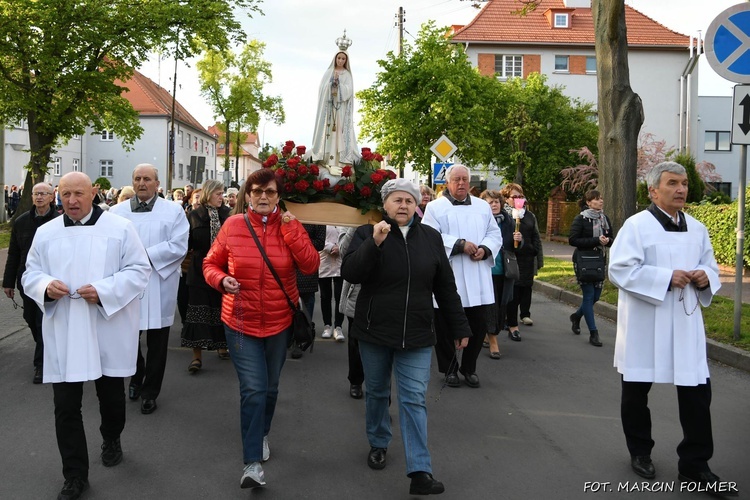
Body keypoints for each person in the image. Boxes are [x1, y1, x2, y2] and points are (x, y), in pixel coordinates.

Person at [21, 172, 151, 500]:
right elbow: (30, 273)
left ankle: (111, 436)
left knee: (111, 399)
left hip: (105, 328)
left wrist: (105, 290)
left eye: (79, 193)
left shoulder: (119, 229)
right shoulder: (47, 232)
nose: (72, 201)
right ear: (56, 195)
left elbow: (139, 269)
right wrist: (44, 287)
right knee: (65, 406)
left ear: (93, 192)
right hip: (66, 329)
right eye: (65, 194)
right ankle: (75, 475)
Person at [608, 162, 736, 493]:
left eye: (683, 183)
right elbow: (620, 269)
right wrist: (666, 277)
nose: (681, 189)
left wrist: (705, 276)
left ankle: (694, 464)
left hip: (685, 323)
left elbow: (710, 264)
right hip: (645, 324)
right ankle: (640, 452)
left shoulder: (697, 228)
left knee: (697, 394)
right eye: (672, 183)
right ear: (653, 191)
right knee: (636, 392)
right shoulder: (636, 227)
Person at [341, 178, 471, 496]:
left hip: (417, 332)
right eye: (397, 200)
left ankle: (420, 470)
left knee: (413, 399)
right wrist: (374, 243)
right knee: (377, 393)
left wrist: (460, 327)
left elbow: (445, 287)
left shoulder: (430, 238)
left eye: (409, 201)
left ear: (417, 206)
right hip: (374, 331)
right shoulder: (368, 233)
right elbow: (351, 272)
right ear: (385, 205)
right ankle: (379, 441)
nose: (403, 205)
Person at [202, 168, 319, 489]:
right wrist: (221, 280)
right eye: (257, 192)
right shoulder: (233, 225)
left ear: (279, 196)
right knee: (253, 389)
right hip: (240, 321)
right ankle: (252, 462)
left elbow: (310, 266)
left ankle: (262, 432)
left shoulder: (290, 226)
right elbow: (210, 264)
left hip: (280, 322)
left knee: (270, 388)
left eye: (269, 192)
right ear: (248, 195)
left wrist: (292, 230)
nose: (263, 197)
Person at [110, 164, 189, 415]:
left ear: (157, 184)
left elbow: (178, 246)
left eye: (147, 179)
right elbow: (109, 247)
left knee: (157, 343)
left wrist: (141, 257)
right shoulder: (115, 212)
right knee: (128, 338)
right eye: (137, 179)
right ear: (132, 183)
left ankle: (150, 392)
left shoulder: (174, 211)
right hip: (127, 283)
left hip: (159, 283)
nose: (142, 183)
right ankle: (135, 376)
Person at [422, 165, 503, 388]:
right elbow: (430, 235)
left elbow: (493, 233)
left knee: (477, 325)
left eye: (465, 179)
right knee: (445, 326)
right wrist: (458, 244)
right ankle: (449, 369)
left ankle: (469, 367)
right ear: (447, 183)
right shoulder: (435, 207)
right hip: (450, 274)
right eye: (456, 179)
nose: (461, 183)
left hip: (477, 275)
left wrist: (485, 249)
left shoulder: (481, 207)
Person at [3, 182, 59, 383]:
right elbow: (13, 254)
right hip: (27, 280)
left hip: (51, 282)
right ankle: (47, 348)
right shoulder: (21, 222)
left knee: (42, 320)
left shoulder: (60, 221)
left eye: (43, 193)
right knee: (30, 318)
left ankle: (41, 365)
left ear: (52, 197)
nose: (39, 197)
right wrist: (8, 282)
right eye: (36, 194)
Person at [181, 180, 231, 372]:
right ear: (208, 194)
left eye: (222, 193)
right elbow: (186, 244)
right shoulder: (193, 216)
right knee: (197, 313)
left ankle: (222, 345)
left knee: (222, 311)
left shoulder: (229, 215)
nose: (222, 197)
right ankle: (196, 356)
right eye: (218, 193)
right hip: (199, 270)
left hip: (224, 270)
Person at [479, 189, 522, 359]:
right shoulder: (480, 221)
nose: (494, 205)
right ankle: (493, 340)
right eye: (490, 202)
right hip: (485, 269)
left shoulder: (510, 221)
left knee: (502, 305)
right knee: (490, 305)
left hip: (504, 269)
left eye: (496, 201)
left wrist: (519, 239)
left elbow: (516, 246)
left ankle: (487, 332)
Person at [568, 189, 614, 347]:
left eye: (601, 198)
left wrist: (607, 241)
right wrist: (595, 240)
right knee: (588, 295)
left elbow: (611, 239)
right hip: (584, 261)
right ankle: (594, 333)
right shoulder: (581, 219)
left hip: (599, 261)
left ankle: (576, 316)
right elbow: (573, 240)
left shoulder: (604, 219)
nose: (600, 201)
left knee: (595, 297)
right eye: (596, 199)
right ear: (588, 202)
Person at [500, 183, 543, 341]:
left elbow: (536, 236)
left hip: (527, 256)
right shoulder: (504, 215)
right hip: (511, 257)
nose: (518, 199)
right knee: (512, 291)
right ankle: (509, 321)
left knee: (525, 287)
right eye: (514, 197)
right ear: (506, 199)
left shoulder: (529, 216)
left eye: (520, 196)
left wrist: (536, 253)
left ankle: (523, 314)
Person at [311, 50, 360, 171]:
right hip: (328, 108)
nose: (341, 61)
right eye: (339, 58)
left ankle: (340, 161)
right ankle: (326, 160)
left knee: (340, 132)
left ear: (346, 60)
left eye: (343, 59)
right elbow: (322, 89)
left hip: (341, 109)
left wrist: (339, 85)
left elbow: (348, 91)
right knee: (328, 132)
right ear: (335, 58)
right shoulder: (329, 72)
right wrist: (331, 84)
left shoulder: (347, 75)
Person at [292, 223, 326, 360]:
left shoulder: (317, 218)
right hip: (288, 267)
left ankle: (301, 338)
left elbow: (319, 243)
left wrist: (297, 239)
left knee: (306, 305)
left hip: (306, 268)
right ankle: (289, 337)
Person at [338, 226, 364, 399]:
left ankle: (383, 396)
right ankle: (356, 380)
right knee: (355, 342)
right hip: (357, 292)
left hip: (385, 293)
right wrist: (355, 226)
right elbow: (343, 251)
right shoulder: (352, 224)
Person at [319, 225, 345, 341]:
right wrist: (329, 247)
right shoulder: (322, 220)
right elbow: (317, 238)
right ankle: (327, 325)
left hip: (341, 263)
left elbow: (348, 237)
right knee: (325, 296)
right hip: (324, 261)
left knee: (340, 297)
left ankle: (338, 327)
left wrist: (340, 247)